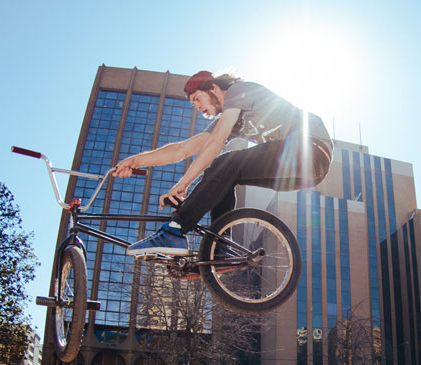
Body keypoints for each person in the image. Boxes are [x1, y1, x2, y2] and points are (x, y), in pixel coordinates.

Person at [117, 71, 333, 259]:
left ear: (213, 88)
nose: (198, 108)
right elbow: (183, 149)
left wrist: (183, 184)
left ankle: (175, 230)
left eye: (197, 99)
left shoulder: (239, 91)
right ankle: (221, 247)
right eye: (194, 105)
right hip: (303, 172)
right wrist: (135, 160)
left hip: (310, 148)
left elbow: (217, 142)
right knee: (225, 173)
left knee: (225, 162)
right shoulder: (232, 119)